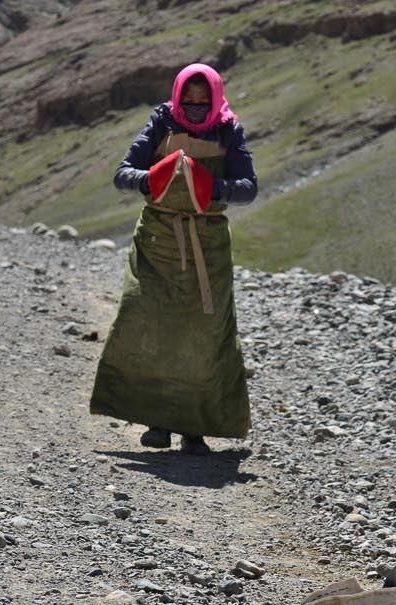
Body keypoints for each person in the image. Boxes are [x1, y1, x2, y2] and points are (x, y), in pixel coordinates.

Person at [89, 63, 258, 455]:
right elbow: (123, 173)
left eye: (203, 101)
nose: (196, 106)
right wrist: (154, 178)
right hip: (157, 241)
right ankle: (157, 422)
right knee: (147, 320)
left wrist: (208, 185)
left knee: (203, 332)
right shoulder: (161, 122)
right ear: (178, 96)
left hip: (207, 245)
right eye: (189, 100)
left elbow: (248, 188)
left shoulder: (229, 130)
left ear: (215, 98)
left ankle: (194, 428)